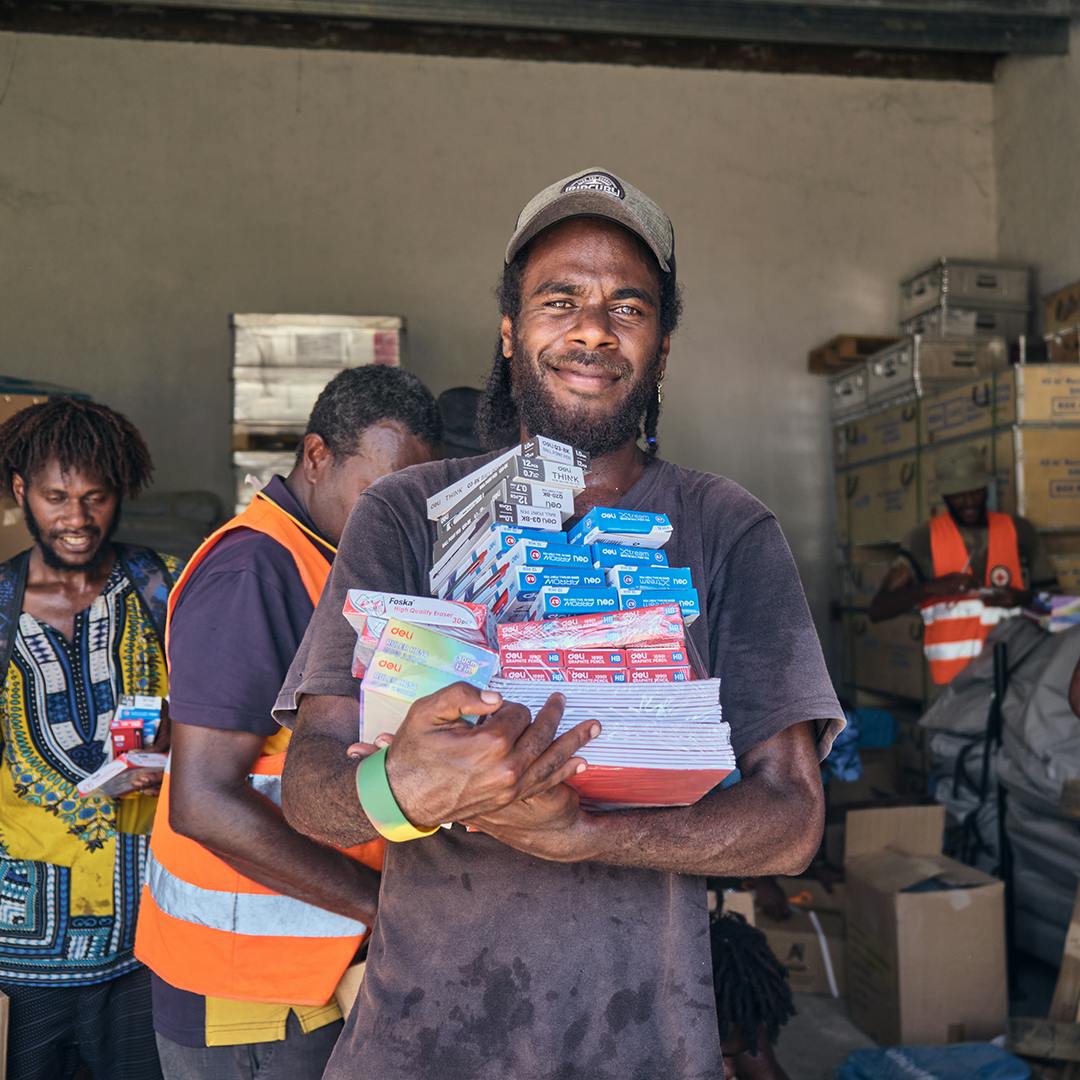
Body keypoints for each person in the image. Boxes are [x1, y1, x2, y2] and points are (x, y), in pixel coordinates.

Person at [274, 166, 845, 1079]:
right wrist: (400, 788)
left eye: (629, 306)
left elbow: (791, 820)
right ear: (509, 332)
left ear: (660, 348)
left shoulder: (726, 527)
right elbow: (310, 788)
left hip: (643, 1047)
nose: (592, 328)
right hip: (420, 1046)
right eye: (559, 299)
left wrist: (587, 835)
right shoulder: (405, 514)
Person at [135, 366, 442, 1078]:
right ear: (315, 457)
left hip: (315, 965)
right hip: (247, 988)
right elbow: (204, 802)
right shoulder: (254, 573)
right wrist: (381, 907)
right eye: (380, 495)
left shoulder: (333, 562)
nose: (397, 521)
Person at [0, 398, 180, 1080]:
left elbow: (230, 716)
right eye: (56, 497)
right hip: (19, 952)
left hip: (148, 944)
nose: (77, 519)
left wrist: (177, 758)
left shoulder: (163, 587)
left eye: (95, 497)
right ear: (22, 493)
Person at [869, 443, 1056, 685]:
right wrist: (930, 589)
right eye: (958, 495)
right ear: (944, 495)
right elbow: (878, 609)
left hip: (1017, 681)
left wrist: (1023, 599)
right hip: (953, 693)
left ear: (985, 486)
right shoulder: (923, 540)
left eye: (976, 491)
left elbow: (1062, 610)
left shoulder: (1020, 531)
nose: (969, 502)